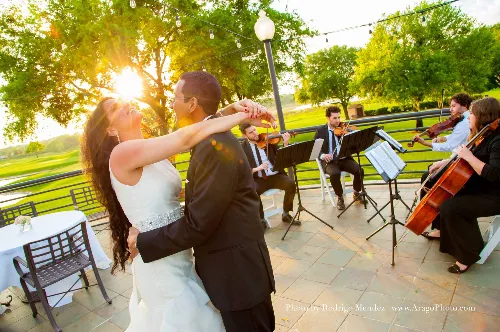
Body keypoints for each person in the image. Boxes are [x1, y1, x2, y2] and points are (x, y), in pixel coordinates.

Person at [82, 72, 276, 331]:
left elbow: (191, 136)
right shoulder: (122, 153)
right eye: (116, 108)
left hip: (181, 256)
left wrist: (227, 111)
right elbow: (186, 137)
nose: (126, 103)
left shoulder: (153, 148)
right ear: (110, 129)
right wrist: (240, 116)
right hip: (161, 262)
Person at [420, 97, 500, 273]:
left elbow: (494, 174)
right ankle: (442, 230)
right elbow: (464, 156)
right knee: (431, 178)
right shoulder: (484, 133)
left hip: (493, 194)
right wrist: (444, 162)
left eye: (471, 113)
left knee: (450, 206)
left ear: (483, 116)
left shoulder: (497, 140)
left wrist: (468, 157)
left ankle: (467, 255)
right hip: (480, 185)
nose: (468, 117)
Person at [418, 93, 472, 236]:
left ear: (464, 106)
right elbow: (456, 137)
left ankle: (434, 223)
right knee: (429, 174)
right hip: (458, 159)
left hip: (460, 162)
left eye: (454, 106)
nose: (451, 109)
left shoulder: (465, 123)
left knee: (428, 178)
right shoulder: (464, 120)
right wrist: (441, 137)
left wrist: (426, 143)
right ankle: (437, 225)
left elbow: (450, 145)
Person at [239, 123, 298, 227]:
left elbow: (283, 157)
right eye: (251, 132)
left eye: (255, 130)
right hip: (259, 179)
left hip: (275, 176)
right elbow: (242, 169)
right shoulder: (242, 149)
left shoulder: (269, 141)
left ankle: (286, 213)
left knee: (291, 184)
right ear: (244, 135)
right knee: (253, 191)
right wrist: (257, 169)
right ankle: (261, 220)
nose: (255, 133)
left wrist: (285, 143)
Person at [314, 106, 365, 210]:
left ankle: (356, 193)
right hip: (330, 162)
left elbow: (353, 145)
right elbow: (315, 149)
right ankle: (340, 197)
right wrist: (323, 155)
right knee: (335, 173)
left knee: (360, 170)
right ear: (328, 118)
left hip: (344, 158)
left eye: (338, 117)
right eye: (334, 118)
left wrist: (352, 136)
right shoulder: (321, 131)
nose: (338, 120)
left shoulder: (343, 129)